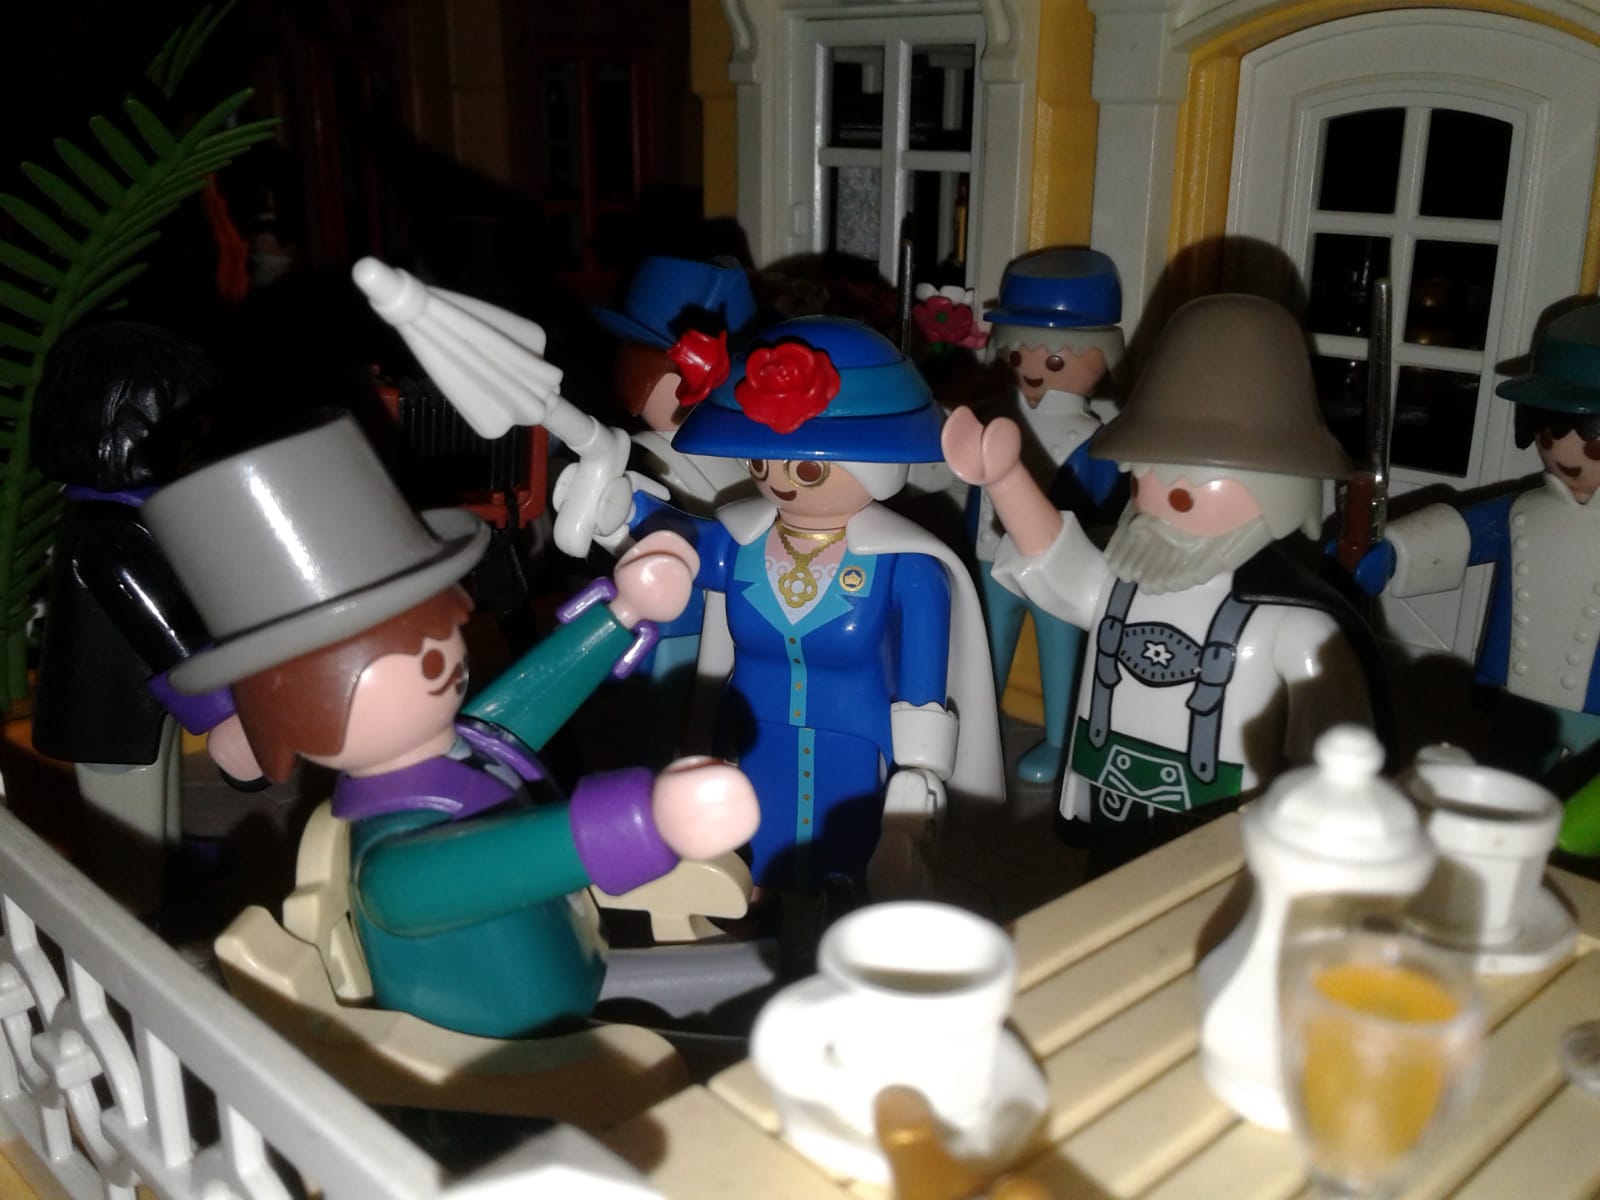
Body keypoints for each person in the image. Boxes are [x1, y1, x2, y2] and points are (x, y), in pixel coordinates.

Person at [148, 413, 757, 1037]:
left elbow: (527, 701)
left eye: (430, 627)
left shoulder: (457, 747)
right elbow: (513, 858)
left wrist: (623, 614)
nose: (435, 655)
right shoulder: (395, 869)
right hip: (505, 1046)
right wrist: (647, 820)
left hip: (572, 973)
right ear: (287, 719)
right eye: (389, 655)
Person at [945, 294, 1381, 872]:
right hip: (1112, 797)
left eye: (1180, 495)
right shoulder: (1120, 587)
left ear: (1276, 489)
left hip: (1223, 825)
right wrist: (1005, 479)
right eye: (1140, 485)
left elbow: (1334, 747)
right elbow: (1056, 560)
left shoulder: (1290, 625)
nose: (1152, 509)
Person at [598, 316, 1005, 897]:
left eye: (808, 468)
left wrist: (919, 770)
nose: (780, 482)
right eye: (761, 463)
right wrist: (621, 504)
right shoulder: (741, 542)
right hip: (754, 736)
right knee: (760, 855)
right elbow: (679, 540)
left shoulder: (906, 567)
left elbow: (923, 683)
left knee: (853, 863)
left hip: (858, 745)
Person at [30, 321, 239, 915]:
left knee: (158, 787)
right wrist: (219, 706)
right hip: (110, 710)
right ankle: (135, 917)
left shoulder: (137, 513)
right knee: (127, 822)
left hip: (146, 697)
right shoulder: (109, 532)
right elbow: (163, 626)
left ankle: (168, 870)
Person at [1353, 303, 1600, 777]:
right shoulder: (1521, 511)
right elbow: (1458, 532)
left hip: (1596, 703)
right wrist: (1391, 553)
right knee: (1506, 778)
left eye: (1592, 444)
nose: (1566, 456)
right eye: (1549, 436)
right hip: (1518, 691)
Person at [978, 248, 1127, 782]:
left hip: (1062, 564)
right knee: (985, 646)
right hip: (990, 554)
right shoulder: (996, 421)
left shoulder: (1094, 439)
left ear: (1101, 358)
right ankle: (979, 727)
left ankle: (1062, 740)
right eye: (1017, 357)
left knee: (1060, 652)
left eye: (1055, 361)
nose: (1032, 372)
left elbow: (1106, 507)